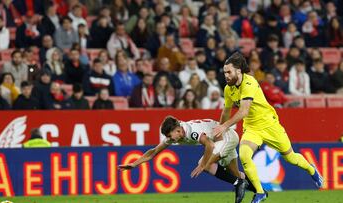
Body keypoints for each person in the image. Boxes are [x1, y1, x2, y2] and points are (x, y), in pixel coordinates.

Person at [213, 52, 323, 203]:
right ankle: (260, 192)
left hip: (269, 125)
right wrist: (220, 129)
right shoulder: (228, 89)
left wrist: (224, 126)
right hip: (252, 128)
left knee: (291, 158)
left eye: (229, 72)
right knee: (244, 155)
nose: (226, 75)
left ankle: (311, 169)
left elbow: (244, 110)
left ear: (238, 71)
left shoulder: (249, 83)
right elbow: (226, 111)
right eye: (224, 72)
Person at [118, 116, 254, 203]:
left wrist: (202, 166)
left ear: (178, 130)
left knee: (204, 164)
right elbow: (153, 152)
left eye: (172, 137)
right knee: (235, 173)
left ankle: (238, 182)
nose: (172, 140)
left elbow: (209, 145)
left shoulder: (190, 131)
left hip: (227, 137)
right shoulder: (175, 135)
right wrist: (134, 164)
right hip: (221, 140)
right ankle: (258, 191)